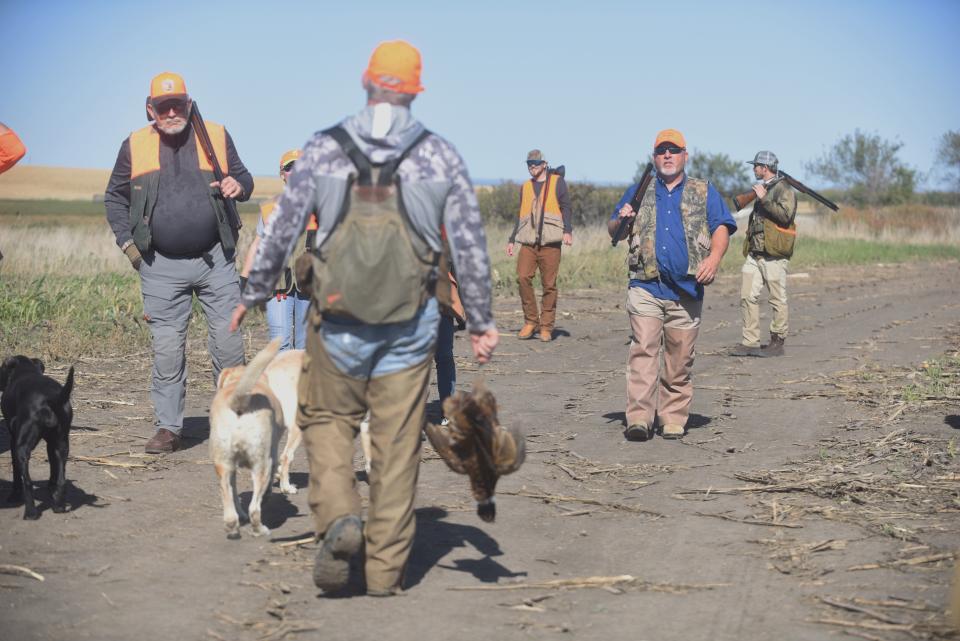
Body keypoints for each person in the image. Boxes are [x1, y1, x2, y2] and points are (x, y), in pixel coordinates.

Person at [230, 40, 498, 596]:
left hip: (337, 321)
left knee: (327, 425)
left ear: (365, 82)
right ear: (416, 90)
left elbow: (282, 227)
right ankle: (385, 572)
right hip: (411, 324)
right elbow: (469, 244)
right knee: (397, 444)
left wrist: (254, 291)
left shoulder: (323, 150)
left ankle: (338, 522)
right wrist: (481, 321)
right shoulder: (441, 155)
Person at [104, 72, 253, 454]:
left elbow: (245, 180)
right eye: (163, 106)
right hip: (160, 265)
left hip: (215, 260)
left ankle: (233, 422)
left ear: (189, 103)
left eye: (178, 104)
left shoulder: (215, 134)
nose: (172, 112)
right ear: (150, 108)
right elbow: (114, 199)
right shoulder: (135, 144)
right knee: (168, 349)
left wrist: (239, 186)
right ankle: (169, 428)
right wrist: (130, 249)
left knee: (229, 343)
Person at [608, 129, 736, 441]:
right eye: (661, 150)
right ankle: (639, 418)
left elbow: (722, 226)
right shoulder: (640, 190)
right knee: (643, 352)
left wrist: (714, 259)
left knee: (679, 359)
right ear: (654, 157)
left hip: (686, 290)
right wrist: (622, 218)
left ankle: (673, 417)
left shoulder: (703, 190)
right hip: (645, 287)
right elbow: (615, 231)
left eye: (673, 150)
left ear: (685, 156)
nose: (667, 155)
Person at [240, 149, 317, 351]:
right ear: (282, 174)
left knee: (305, 346)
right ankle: (279, 382)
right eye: (290, 167)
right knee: (279, 344)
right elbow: (257, 244)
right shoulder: (268, 208)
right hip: (278, 284)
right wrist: (244, 280)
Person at [731, 151, 797, 358]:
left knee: (777, 299)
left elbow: (786, 216)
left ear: (764, 167)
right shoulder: (765, 188)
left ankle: (778, 341)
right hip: (755, 253)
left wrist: (764, 198)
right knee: (747, 296)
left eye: (756, 166)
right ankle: (750, 342)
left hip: (774, 254)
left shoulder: (783, 189)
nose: (754, 169)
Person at [506, 149, 573, 342]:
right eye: (529, 163)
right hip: (528, 242)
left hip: (551, 242)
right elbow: (521, 215)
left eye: (535, 162)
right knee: (522, 277)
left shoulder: (557, 182)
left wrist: (567, 230)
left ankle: (546, 326)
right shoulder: (525, 187)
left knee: (549, 285)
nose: (532, 166)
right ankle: (530, 321)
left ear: (544, 163)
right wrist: (511, 240)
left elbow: (566, 207)